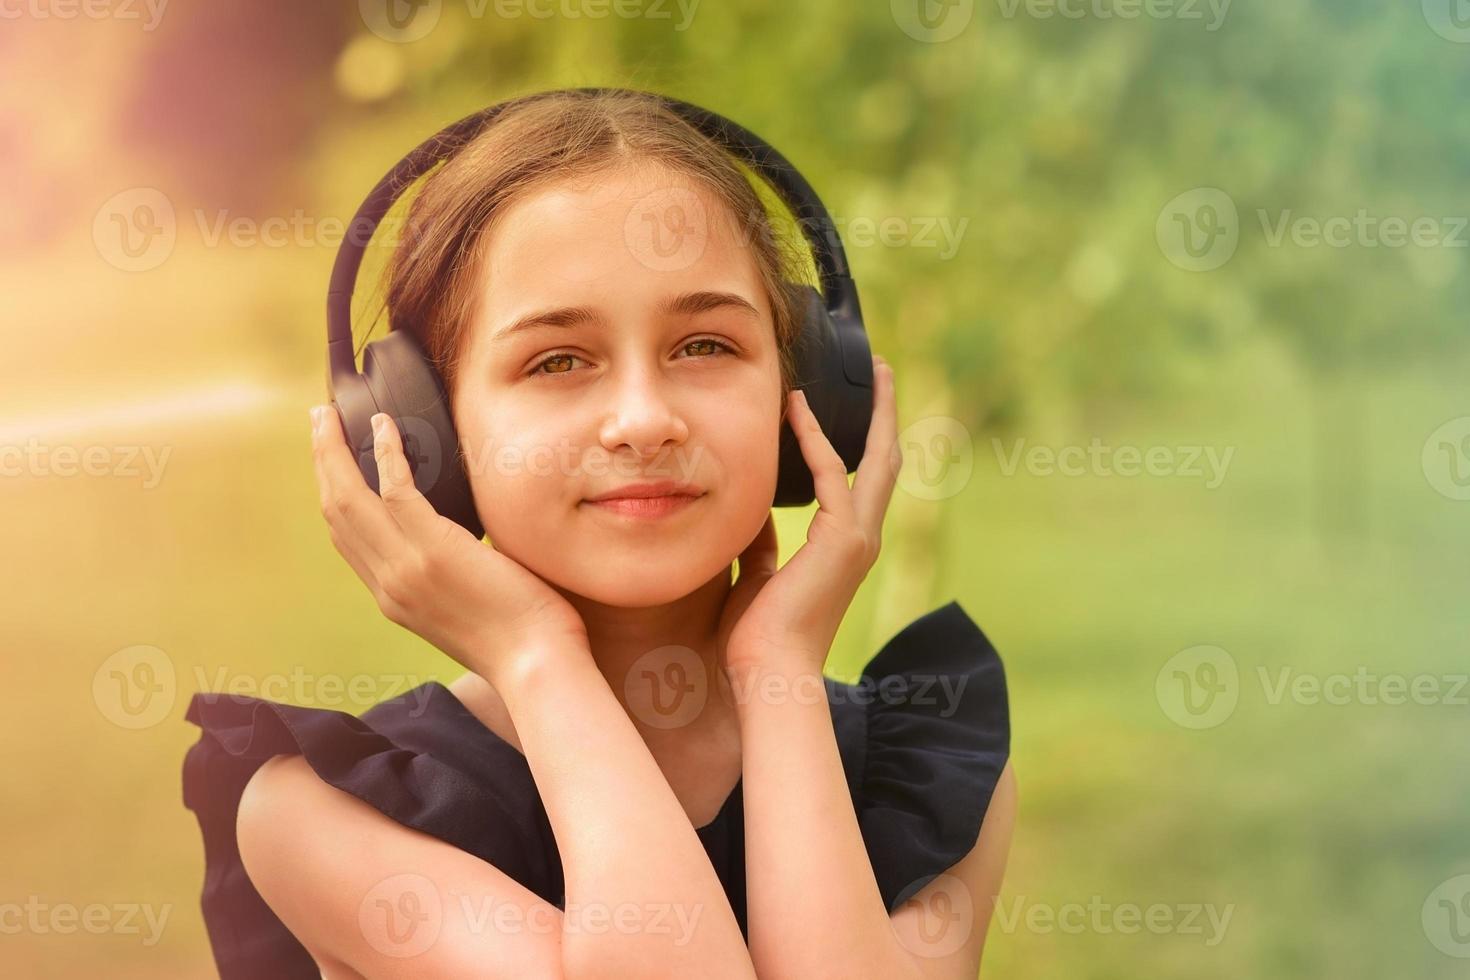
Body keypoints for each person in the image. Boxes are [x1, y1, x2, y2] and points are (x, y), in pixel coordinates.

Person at [182, 88, 1016, 979]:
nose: (643, 420)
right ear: (425, 432)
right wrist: (534, 653)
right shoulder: (324, 818)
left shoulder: (926, 766)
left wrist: (777, 673)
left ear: (807, 387)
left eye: (704, 346)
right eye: (558, 360)